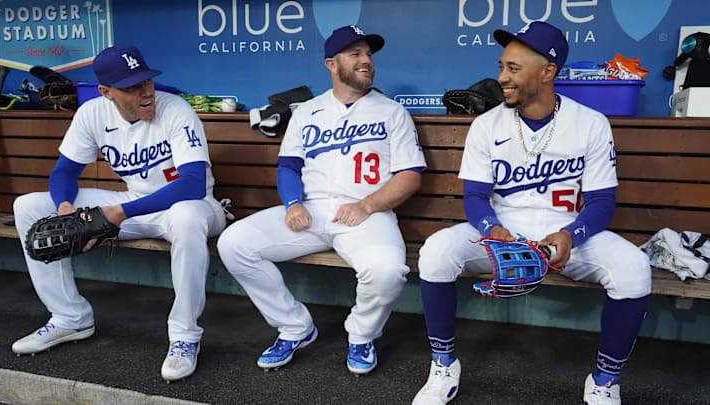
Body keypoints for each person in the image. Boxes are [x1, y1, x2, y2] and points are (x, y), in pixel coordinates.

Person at [411, 21, 651, 405]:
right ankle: (443, 365)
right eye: (502, 66)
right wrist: (493, 229)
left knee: (634, 269)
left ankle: (605, 381)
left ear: (547, 72)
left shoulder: (590, 123)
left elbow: (603, 202)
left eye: (513, 69)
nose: (502, 78)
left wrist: (573, 234)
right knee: (436, 251)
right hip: (503, 228)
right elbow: (474, 196)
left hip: (568, 233)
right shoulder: (486, 125)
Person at [217, 25, 426, 375]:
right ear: (332, 64)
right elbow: (288, 167)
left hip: (366, 215)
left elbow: (410, 176)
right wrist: (292, 204)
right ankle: (295, 327)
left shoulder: (392, 112)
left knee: (387, 272)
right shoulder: (307, 111)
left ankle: (361, 335)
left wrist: (368, 205)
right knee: (234, 243)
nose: (366, 60)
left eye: (368, 54)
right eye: (355, 54)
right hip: (311, 212)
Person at [11, 44, 226, 383]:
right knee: (29, 206)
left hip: (191, 209)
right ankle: (70, 317)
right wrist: (65, 208)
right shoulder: (92, 113)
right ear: (106, 92)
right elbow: (64, 173)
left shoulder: (176, 110)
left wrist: (119, 212)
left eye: (147, 81)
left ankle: (184, 336)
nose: (146, 92)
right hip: (133, 205)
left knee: (186, 216)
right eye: (132, 87)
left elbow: (194, 185)